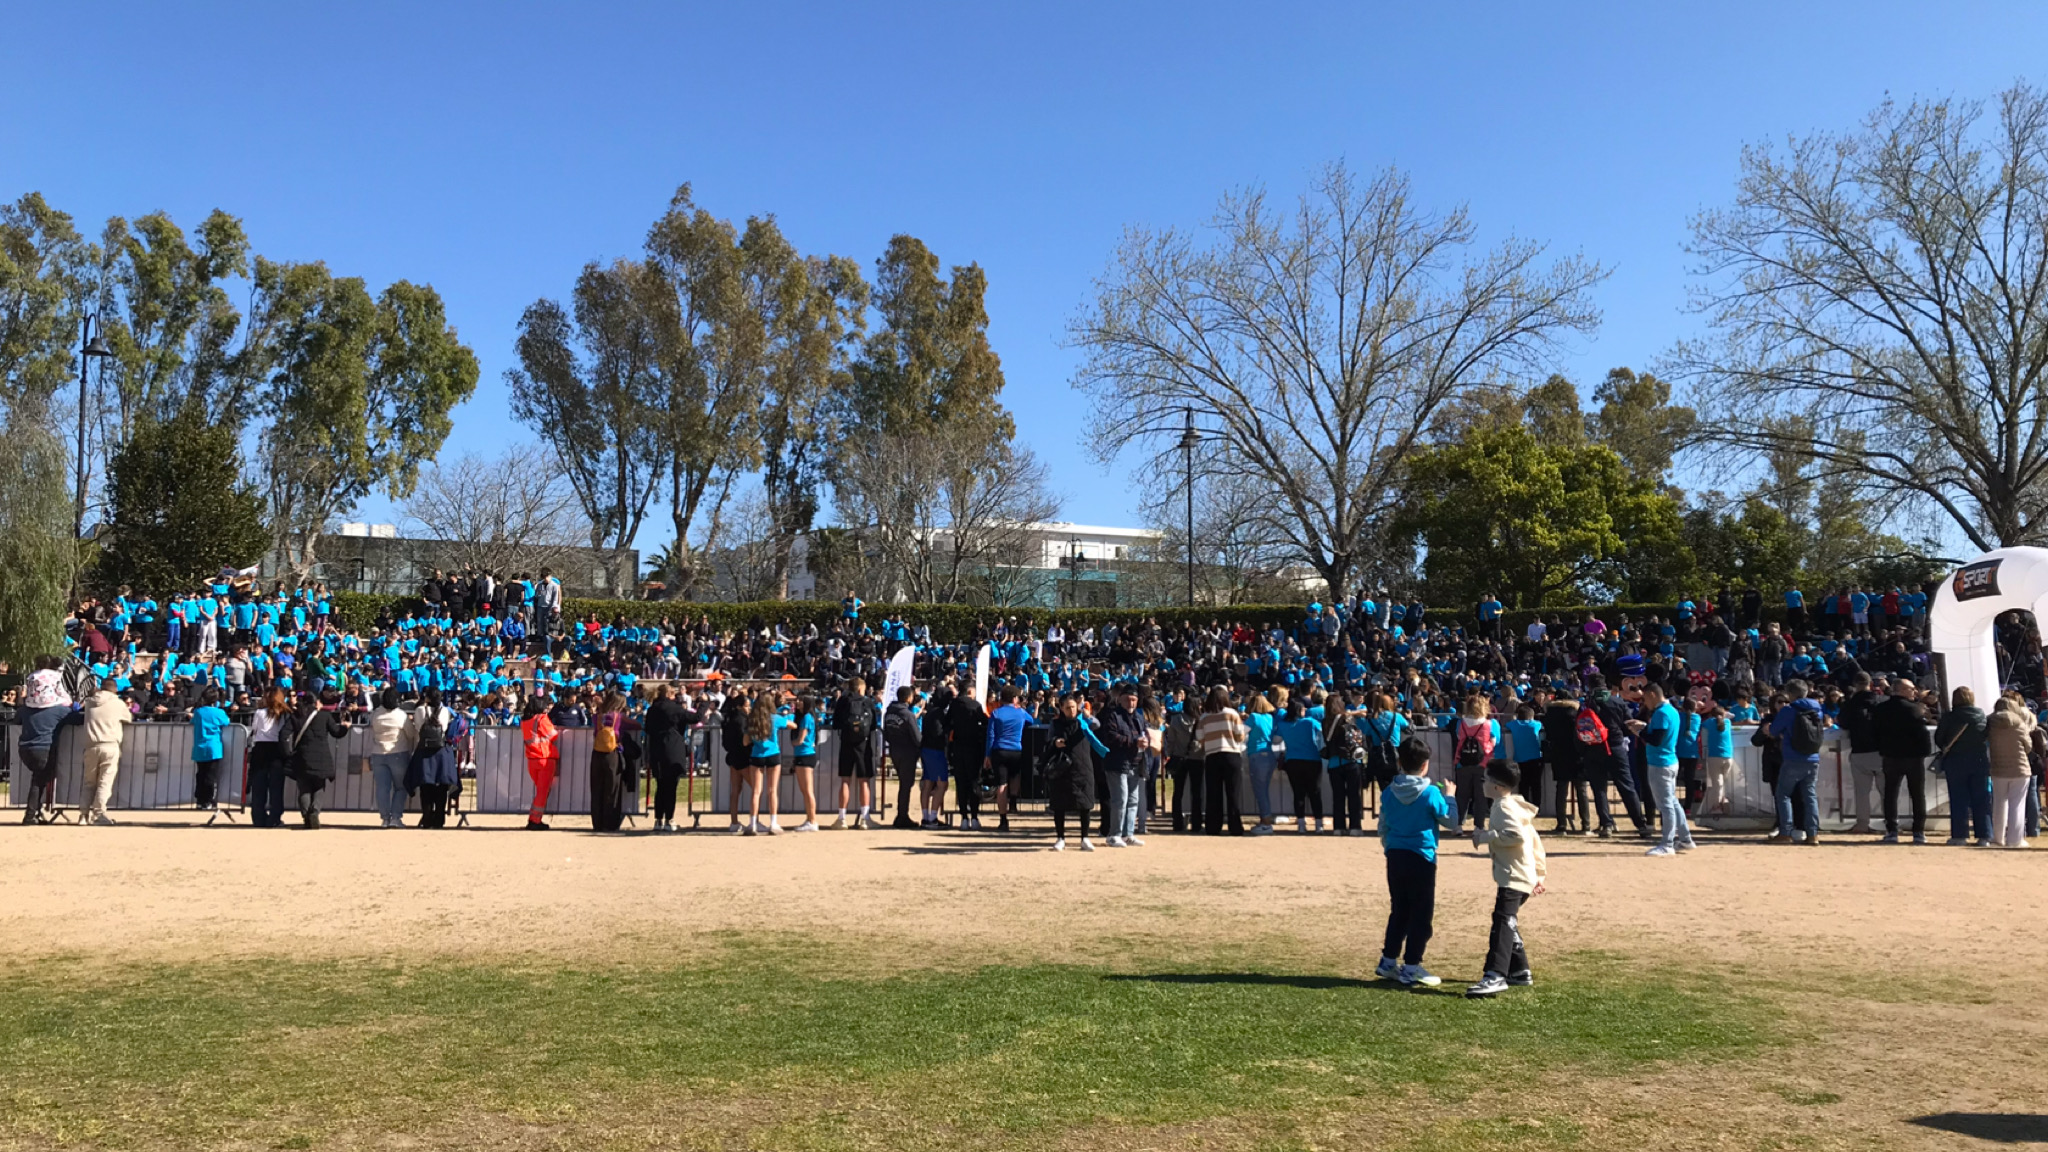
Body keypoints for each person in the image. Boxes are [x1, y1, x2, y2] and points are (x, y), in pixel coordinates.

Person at [1374, 737, 1459, 988]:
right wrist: (1451, 797)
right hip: (1422, 857)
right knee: (1421, 914)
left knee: (1399, 910)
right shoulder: (1431, 792)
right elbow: (1450, 822)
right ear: (1425, 765)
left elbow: (1383, 826)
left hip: (1396, 855)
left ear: (1399, 763)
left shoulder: (1389, 791)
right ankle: (1411, 967)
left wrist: (1389, 847)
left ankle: (1388, 961)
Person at [1466, 761, 1547, 998]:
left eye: (1486, 780)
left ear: (1497, 786)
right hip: (1522, 874)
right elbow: (1534, 842)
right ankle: (1519, 969)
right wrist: (1539, 874)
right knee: (1505, 919)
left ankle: (1495, 974)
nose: (1483, 784)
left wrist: (1485, 836)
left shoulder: (1503, 807)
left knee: (1502, 922)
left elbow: (1516, 837)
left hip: (1514, 876)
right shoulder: (1512, 805)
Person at [1630, 683, 1694, 857]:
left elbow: (1656, 739)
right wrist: (1643, 726)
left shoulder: (1661, 713)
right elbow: (1660, 734)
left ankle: (1667, 843)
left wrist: (1638, 732)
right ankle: (1685, 838)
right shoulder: (1671, 711)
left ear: (1652, 695)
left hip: (1660, 762)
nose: (1644, 703)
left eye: (1645, 698)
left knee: (1665, 805)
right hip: (1670, 760)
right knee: (1671, 801)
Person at [1872, 677, 1934, 844]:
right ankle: (1918, 832)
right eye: (1910, 689)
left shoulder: (1881, 709)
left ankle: (1892, 830)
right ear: (1900, 690)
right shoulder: (1914, 710)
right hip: (1913, 758)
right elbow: (1923, 735)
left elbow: (1875, 732)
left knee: (1890, 794)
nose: (1914, 691)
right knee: (1917, 795)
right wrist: (1925, 753)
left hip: (1890, 756)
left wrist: (1883, 749)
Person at [1766, 680, 1826, 845]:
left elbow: (1774, 730)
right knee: (1810, 795)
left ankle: (1785, 832)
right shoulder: (1817, 709)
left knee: (1783, 794)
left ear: (1790, 694)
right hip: (1813, 757)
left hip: (1793, 757)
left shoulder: (1788, 710)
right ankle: (1813, 833)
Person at [1039, 694, 1100, 851]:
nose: (1071, 710)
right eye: (1067, 707)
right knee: (1059, 804)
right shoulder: (1056, 723)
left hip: (1083, 766)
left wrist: (1088, 715)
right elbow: (1049, 739)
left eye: (1073, 707)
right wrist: (1055, 742)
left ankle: (1085, 838)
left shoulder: (1083, 721)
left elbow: (1097, 725)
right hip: (1062, 768)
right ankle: (1060, 838)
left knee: (1085, 804)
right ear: (1061, 708)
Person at [1933, 686, 1991, 846]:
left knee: (1958, 798)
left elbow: (1939, 738)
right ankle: (1985, 835)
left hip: (1956, 761)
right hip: (1979, 760)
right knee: (1982, 798)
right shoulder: (1982, 716)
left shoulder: (1949, 717)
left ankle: (1959, 835)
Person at [16, 657, 71, 825]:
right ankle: (31, 814)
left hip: (24, 748)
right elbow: (76, 718)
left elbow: (17, 718)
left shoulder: (26, 710)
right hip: (43, 748)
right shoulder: (59, 710)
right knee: (39, 781)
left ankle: (35, 813)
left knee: (38, 779)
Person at [290, 690, 350, 829]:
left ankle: (306, 816)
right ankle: (314, 812)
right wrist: (345, 727)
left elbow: (284, 734)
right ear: (316, 702)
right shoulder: (324, 716)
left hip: (302, 755)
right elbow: (336, 733)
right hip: (321, 756)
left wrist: (288, 752)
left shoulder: (296, 716)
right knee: (319, 786)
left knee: (304, 788)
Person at [1102, 685, 1153, 845]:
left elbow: (1146, 733)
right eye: (1128, 699)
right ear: (1121, 700)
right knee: (1120, 800)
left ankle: (1128, 833)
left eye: (1134, 700)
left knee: (1133, 801)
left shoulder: (1139, 717)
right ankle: (1114, 834)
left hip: (1136, 763)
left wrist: (1146, 741)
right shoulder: (1113, 716)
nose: (1131, 703)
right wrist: (1133, 742)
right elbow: (1111, 737)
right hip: (1117, 763)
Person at [1193, 686, 1245, 838]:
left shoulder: (1204, 717)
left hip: (1212, 755)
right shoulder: (1232, 713)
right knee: (1233, 793)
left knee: (1213, 793)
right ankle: (1235, 827)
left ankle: (1213, 826)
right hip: (1232, 755)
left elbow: (1199, 738)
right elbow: (1240, 735)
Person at [1838, 673, 1886, 834]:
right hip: (1882, 751)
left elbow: (1843, 723)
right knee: (1887, 791)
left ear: (1855, 684)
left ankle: (1862, 824)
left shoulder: (1850, 704)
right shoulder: (1882, 702)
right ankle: (1891, 824)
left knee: (1862, 792)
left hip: (1859, 750)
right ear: (1870, 684)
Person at [1986, 692, 2036, 849]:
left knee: (1999, 804)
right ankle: (2015, 840)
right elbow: (2028, 746)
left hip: (1998, 768)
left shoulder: (1990, 724)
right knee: (2017, 805)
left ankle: (1997, 838)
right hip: (2020, 768)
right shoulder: (2019, 723)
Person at [643, 684, 693, 833]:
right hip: (673, 749)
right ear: (670, 694)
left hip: (657, 750)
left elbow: (647, 730)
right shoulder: (675, 708)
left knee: (660, 785)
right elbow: (694, 718)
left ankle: (658, 819)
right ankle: (669, 819)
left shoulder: (652, 709)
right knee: (671, 786)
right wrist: (703, 704)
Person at [79, 683, 130, 825]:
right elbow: (128, 718)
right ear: (115, 689)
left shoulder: (89, 702)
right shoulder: (117, 703)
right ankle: (99, 814)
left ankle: (83, 815)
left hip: (90, 745)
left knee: (89, 781)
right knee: (104, 781)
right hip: (109, 744)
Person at [410, 687, 461, 829]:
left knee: (425, 786)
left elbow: (418, 727)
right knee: (441, 786)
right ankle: (439, 819)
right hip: (441, 750)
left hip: (424, 750)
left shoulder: (420, 710)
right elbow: (444, 728)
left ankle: (427, 818)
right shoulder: (445, 711)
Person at [986, 685, 1033, 833]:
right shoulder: (1020, 712)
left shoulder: (996, 713)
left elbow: (990, 735)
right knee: (1015, 776)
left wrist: (987, 755)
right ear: (1014, 699)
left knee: (1001, 784)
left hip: (999, 749)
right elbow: (1031, 720)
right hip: (1016, 749)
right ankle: (1013, 802)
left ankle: (1003, 819)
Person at [366, 688, 415, 828]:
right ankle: (396, 817)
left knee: (382, 788)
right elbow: (411, 734)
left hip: (378, 753)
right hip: (398, 753)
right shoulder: (401, 715)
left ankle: (385, 818)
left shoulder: (375, 714)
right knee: (400, 787)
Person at [831, 679, 876, 830]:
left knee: (845, 780)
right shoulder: (867, 701)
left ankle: (842, 818)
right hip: (863, 743)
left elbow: (835, 723)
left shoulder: (843, 701)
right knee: (864, 781)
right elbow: (873, 725)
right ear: (861, 689)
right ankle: (865, 818)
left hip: (846, 742)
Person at [1275, 698, 1325, 834]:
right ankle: (1319, 824)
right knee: (1315, 792)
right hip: (1312, 760)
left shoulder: (1283, 725)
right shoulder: (1310, 722)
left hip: (1292, 761)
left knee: (1298, 794)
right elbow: (1323, 733)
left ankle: (1301, 824)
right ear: (1299, 710)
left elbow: (1276, 740)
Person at [588, 691, 634, 833]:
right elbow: (636, 726)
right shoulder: (618, 717)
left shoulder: (598, 716)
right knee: (612, 789)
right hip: (612, 753)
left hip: (597, 753)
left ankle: (598, 823)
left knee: (597, 789)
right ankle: (610, 823)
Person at [247, 687, 292, 828]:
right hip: (277, 748)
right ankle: (274, 817)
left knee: (259, 785)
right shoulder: (285, 713)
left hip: (260, 748)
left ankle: (258, 817)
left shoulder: (259, 713)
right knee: (276, 787)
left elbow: (254, 729)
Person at [947, 684, 989, 830]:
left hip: (958, 747)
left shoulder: (954, 705)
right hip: (973, 748)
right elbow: (985, 722)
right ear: (970, 691)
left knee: (961, 782)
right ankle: (975, 817)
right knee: (974, 782)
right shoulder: (975, 705)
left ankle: (964, 817)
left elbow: (947, 724)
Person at [744, 690, 784, 835]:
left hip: (757, 755)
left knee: (756, 791)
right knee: (772, 790)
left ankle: (752, 824)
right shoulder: (775, 718)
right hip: (773, 753)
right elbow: (793, 725)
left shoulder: (752, 720)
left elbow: (745, 741)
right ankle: (773, 823)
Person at [520, 695, 561, 831]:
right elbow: (553, 734)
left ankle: (534, 818)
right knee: (543, 792)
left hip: (532, 759)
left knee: (540, 792)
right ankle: (535, 820)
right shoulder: (542, 719)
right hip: (545, 757)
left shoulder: (525, 721)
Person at [883, 686, 922, 829]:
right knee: (906, 785)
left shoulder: (888, 713)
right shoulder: (908, 714)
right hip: (908, 752)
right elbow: (917, 738)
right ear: (908, 698)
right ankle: (902, 816)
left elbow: (886, 732)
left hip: (894, 750)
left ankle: (902, 815)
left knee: (903, 784)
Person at [189, 687, 231, 812]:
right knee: (211, 776)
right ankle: (208, 800)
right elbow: (226, 722)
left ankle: (200, 800)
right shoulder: (219, 712)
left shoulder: (198, 712)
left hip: (199, 747)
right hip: (213, 747)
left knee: (200, 774)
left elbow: (192, 721)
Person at [918, 686, 954, 828]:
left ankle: (926, 817)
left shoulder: (929, 712)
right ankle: (932, 818)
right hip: (936, 750)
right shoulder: (939, 714)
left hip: (926, 749)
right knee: (942, 784)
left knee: (927, 783)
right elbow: (939, 732)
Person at [783, 693, 819, 832]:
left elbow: (801, 739)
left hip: (805, 754)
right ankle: (810, 819)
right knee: (805, 790)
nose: (798, 702)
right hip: (804, 755)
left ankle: (812, 820)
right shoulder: (806, 717)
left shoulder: (806, 718)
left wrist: (793, 742)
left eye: (801, 701)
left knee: (808, 790)